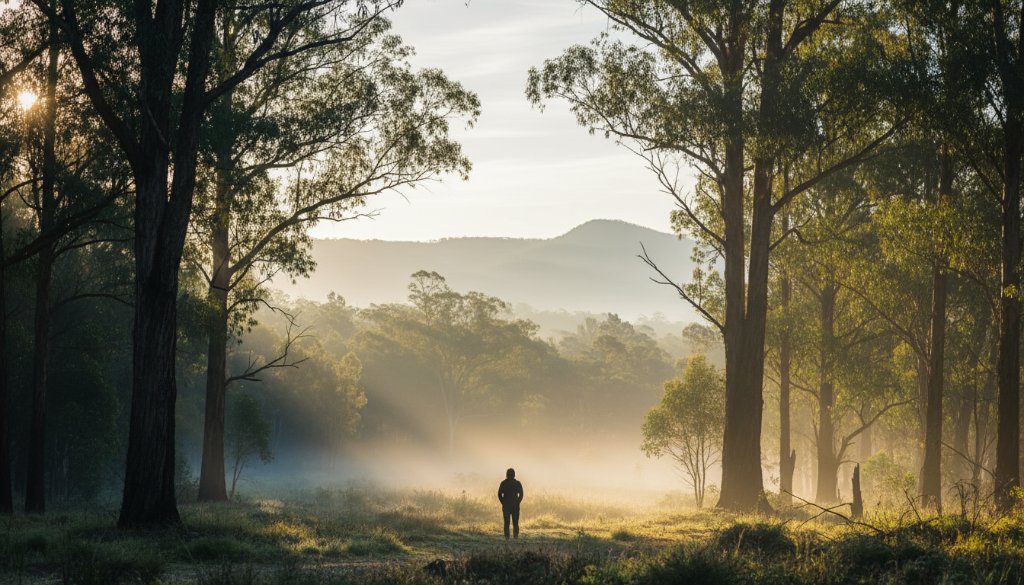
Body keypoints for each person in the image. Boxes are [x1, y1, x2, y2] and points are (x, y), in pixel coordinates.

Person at [497, 467, 523, 540]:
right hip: (515, 506)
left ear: (506, 474)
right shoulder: (517, 483)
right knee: (515, 523)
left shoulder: (504, 483)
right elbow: (521, 494)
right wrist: (518, 502)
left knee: (507, 523)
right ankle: (515, 538)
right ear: (514, 475)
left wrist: (503, 503)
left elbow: (499, 494)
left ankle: (507, 538)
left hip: (507, 506)